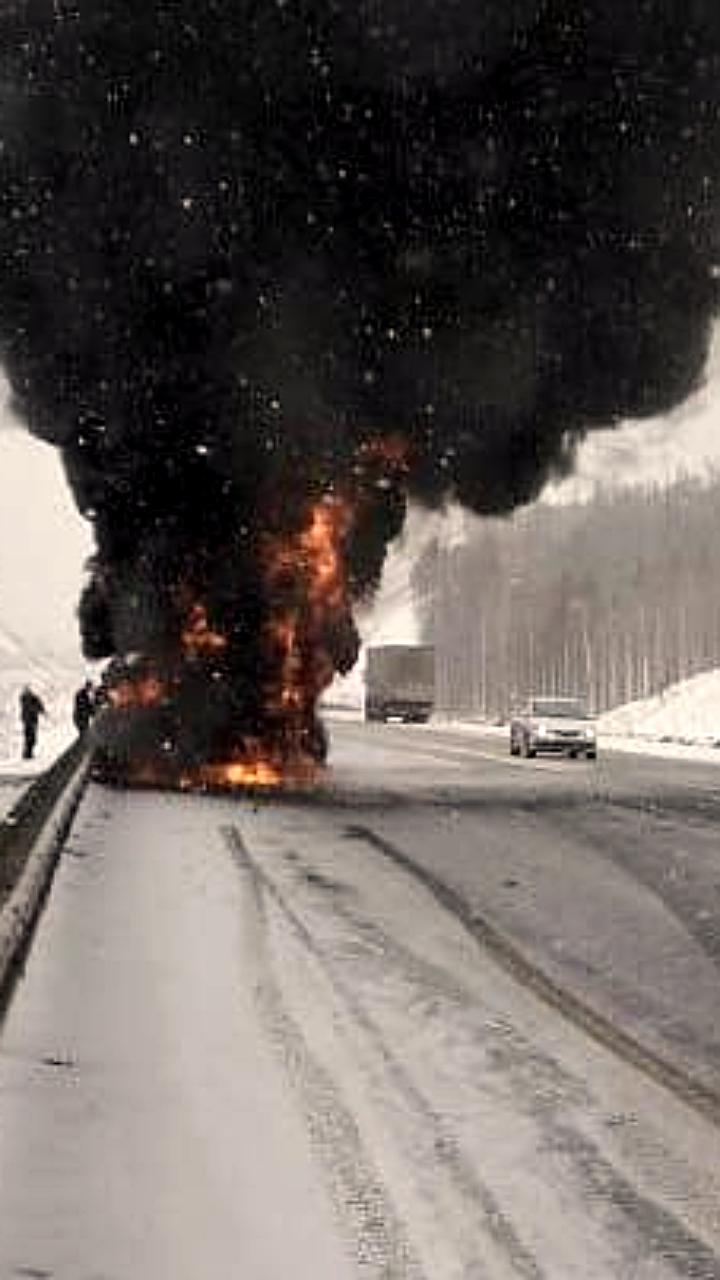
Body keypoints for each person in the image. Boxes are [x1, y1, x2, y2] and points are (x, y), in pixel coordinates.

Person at [19, 685, 46, 760]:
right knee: (31, 737)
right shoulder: (32, 699)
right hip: (31, 720)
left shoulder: (25, 699)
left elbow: (38, 706)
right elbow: (38, 706)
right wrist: (41, 711)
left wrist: (41, 710)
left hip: (27, 720)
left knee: (29, 737)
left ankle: (27, 753)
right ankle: (27, 753)